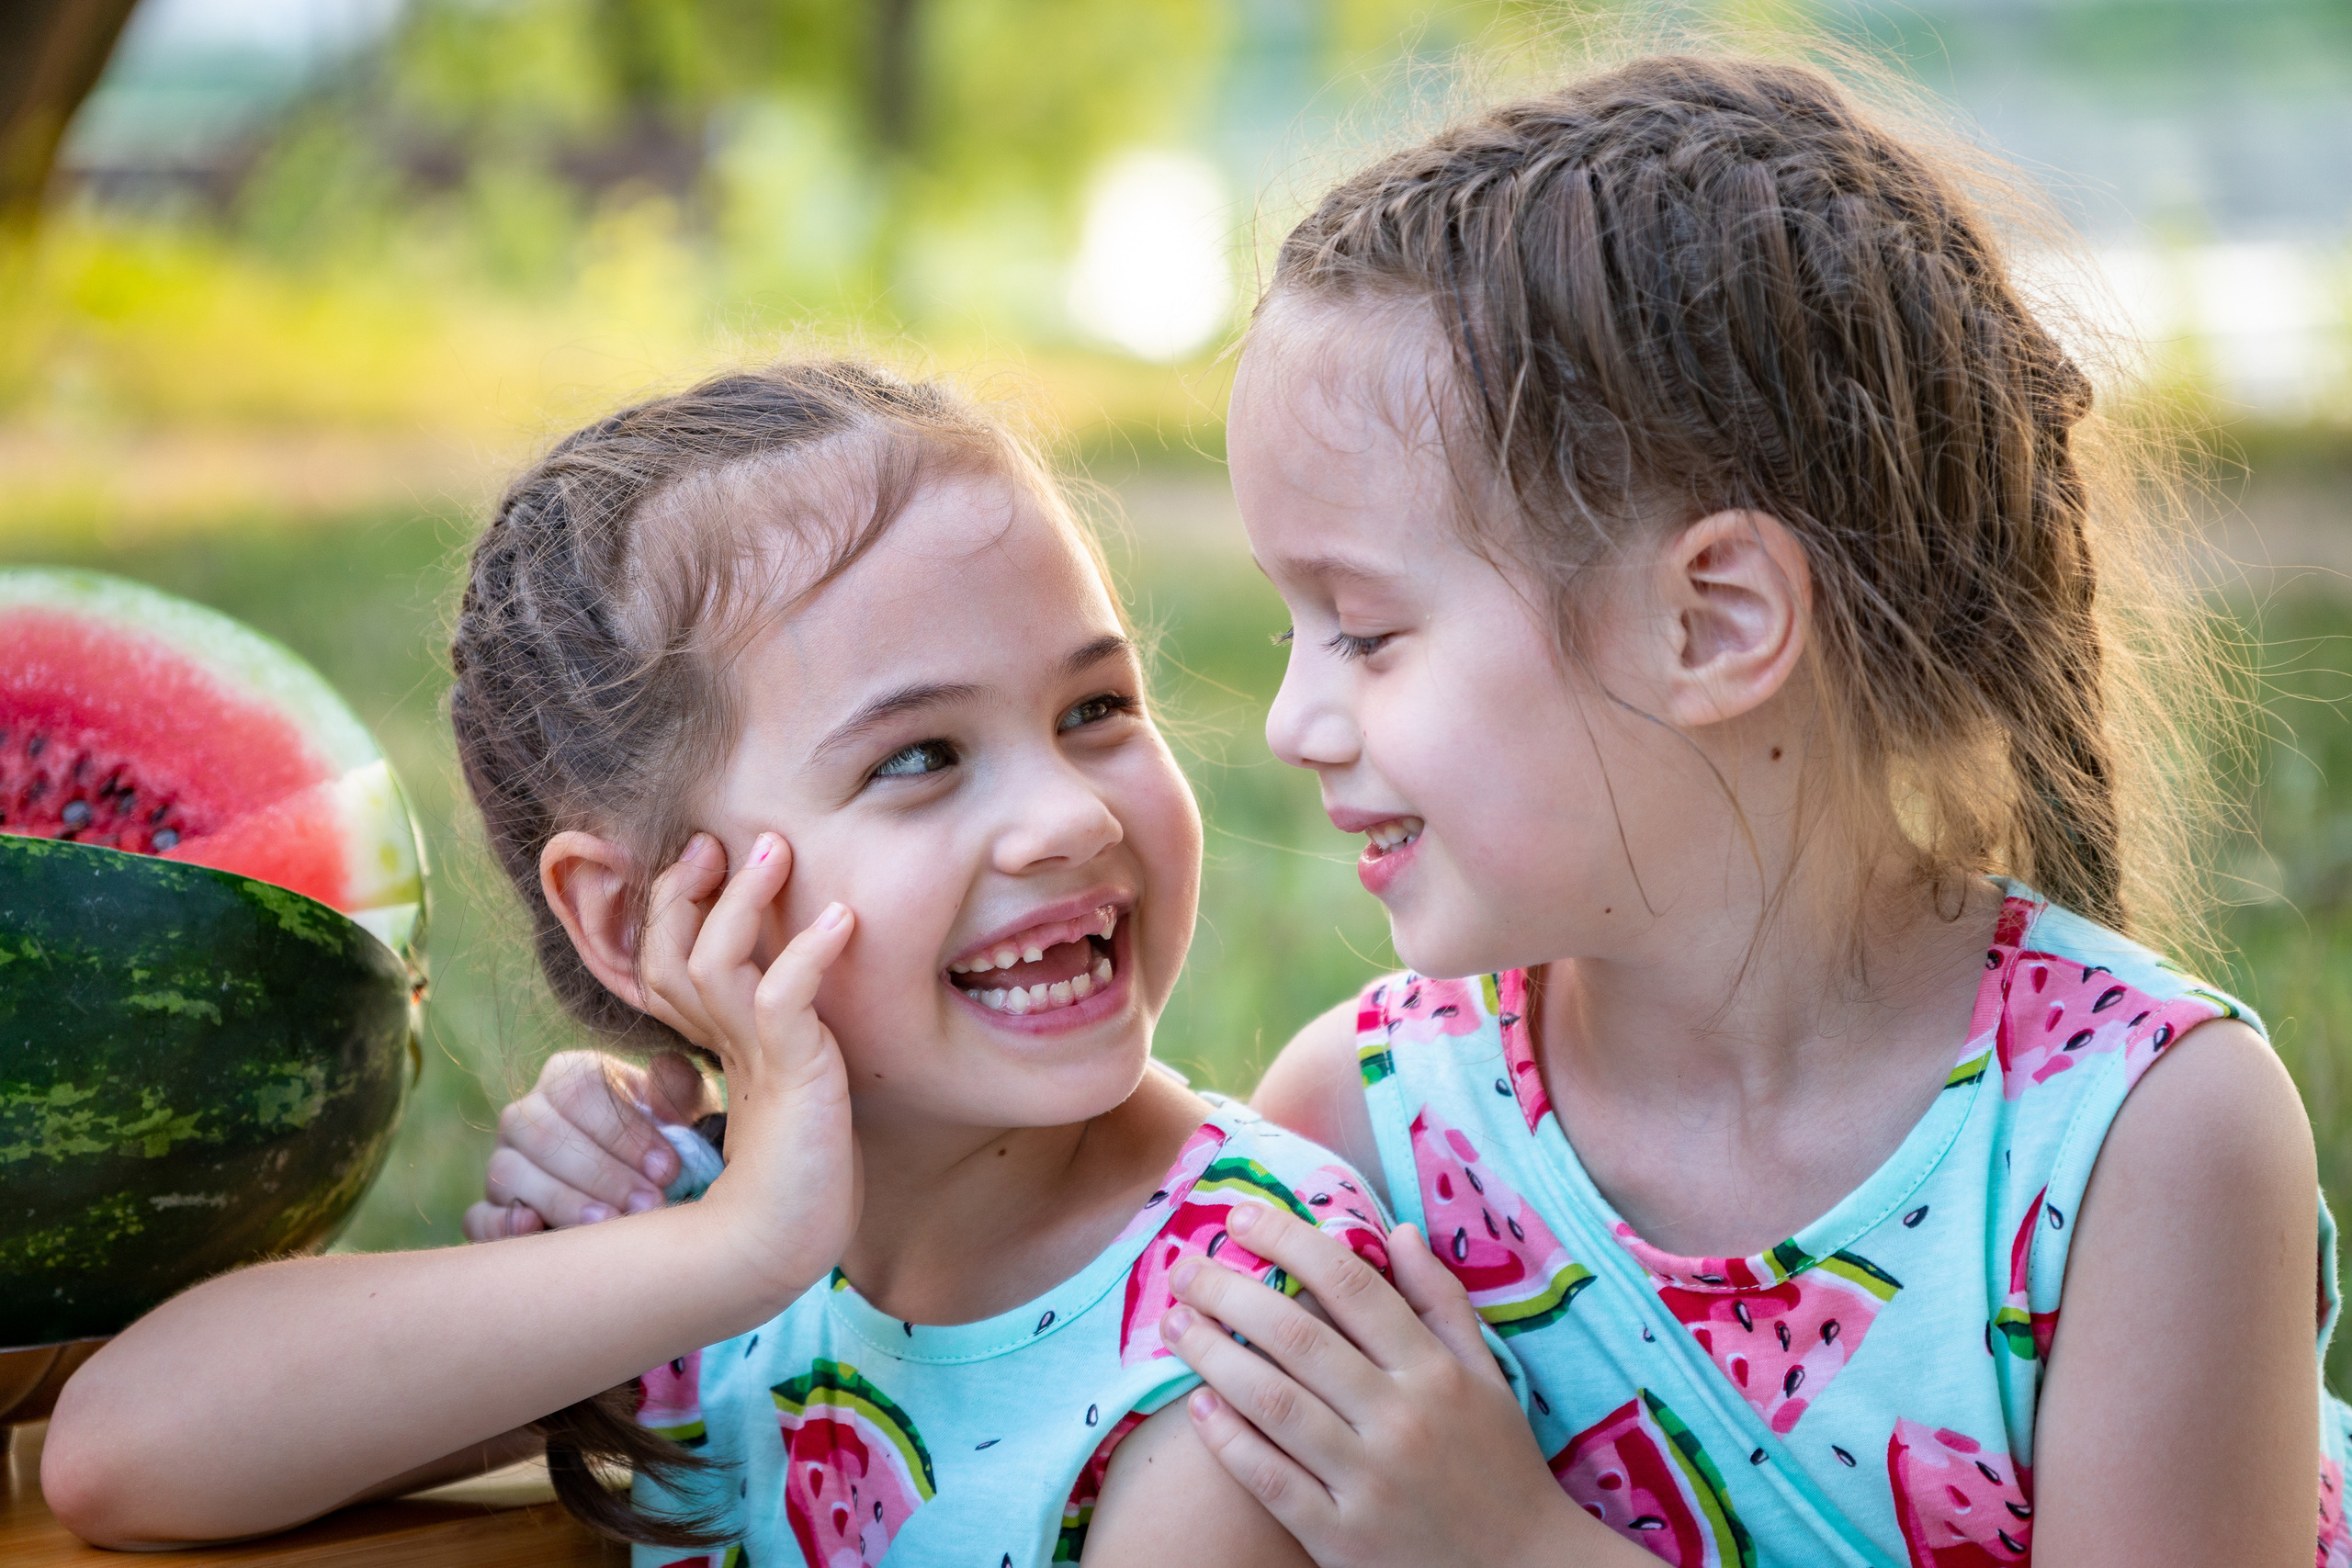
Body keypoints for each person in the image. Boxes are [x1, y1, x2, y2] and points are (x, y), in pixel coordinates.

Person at [483, 57, 2346, 1568]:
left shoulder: (2147, 1136)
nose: (1294, 720)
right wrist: (674, 1171)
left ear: (1712, 622)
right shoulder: (1371, 1124)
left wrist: (1513, 1549)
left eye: (1366, 632)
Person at [39, 362, 1390, 1568]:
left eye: (1095, 708)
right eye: (920, 757)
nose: (1071, 816)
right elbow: (119, 1458)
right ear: (637, 919)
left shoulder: (1251, 1324)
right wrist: (733, 1248)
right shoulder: (707, 1250)